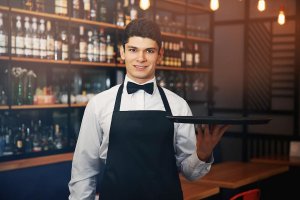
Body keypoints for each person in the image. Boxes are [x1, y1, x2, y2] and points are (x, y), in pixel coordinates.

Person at [68, 18, 229, 200]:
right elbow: (83, 171)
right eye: (133, 50)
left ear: (160, 54)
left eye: (149, 51)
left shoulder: (178, 105)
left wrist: (202, 154)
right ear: (122, 52)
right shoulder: (99, 104)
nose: (141, 58)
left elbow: (190, 174)